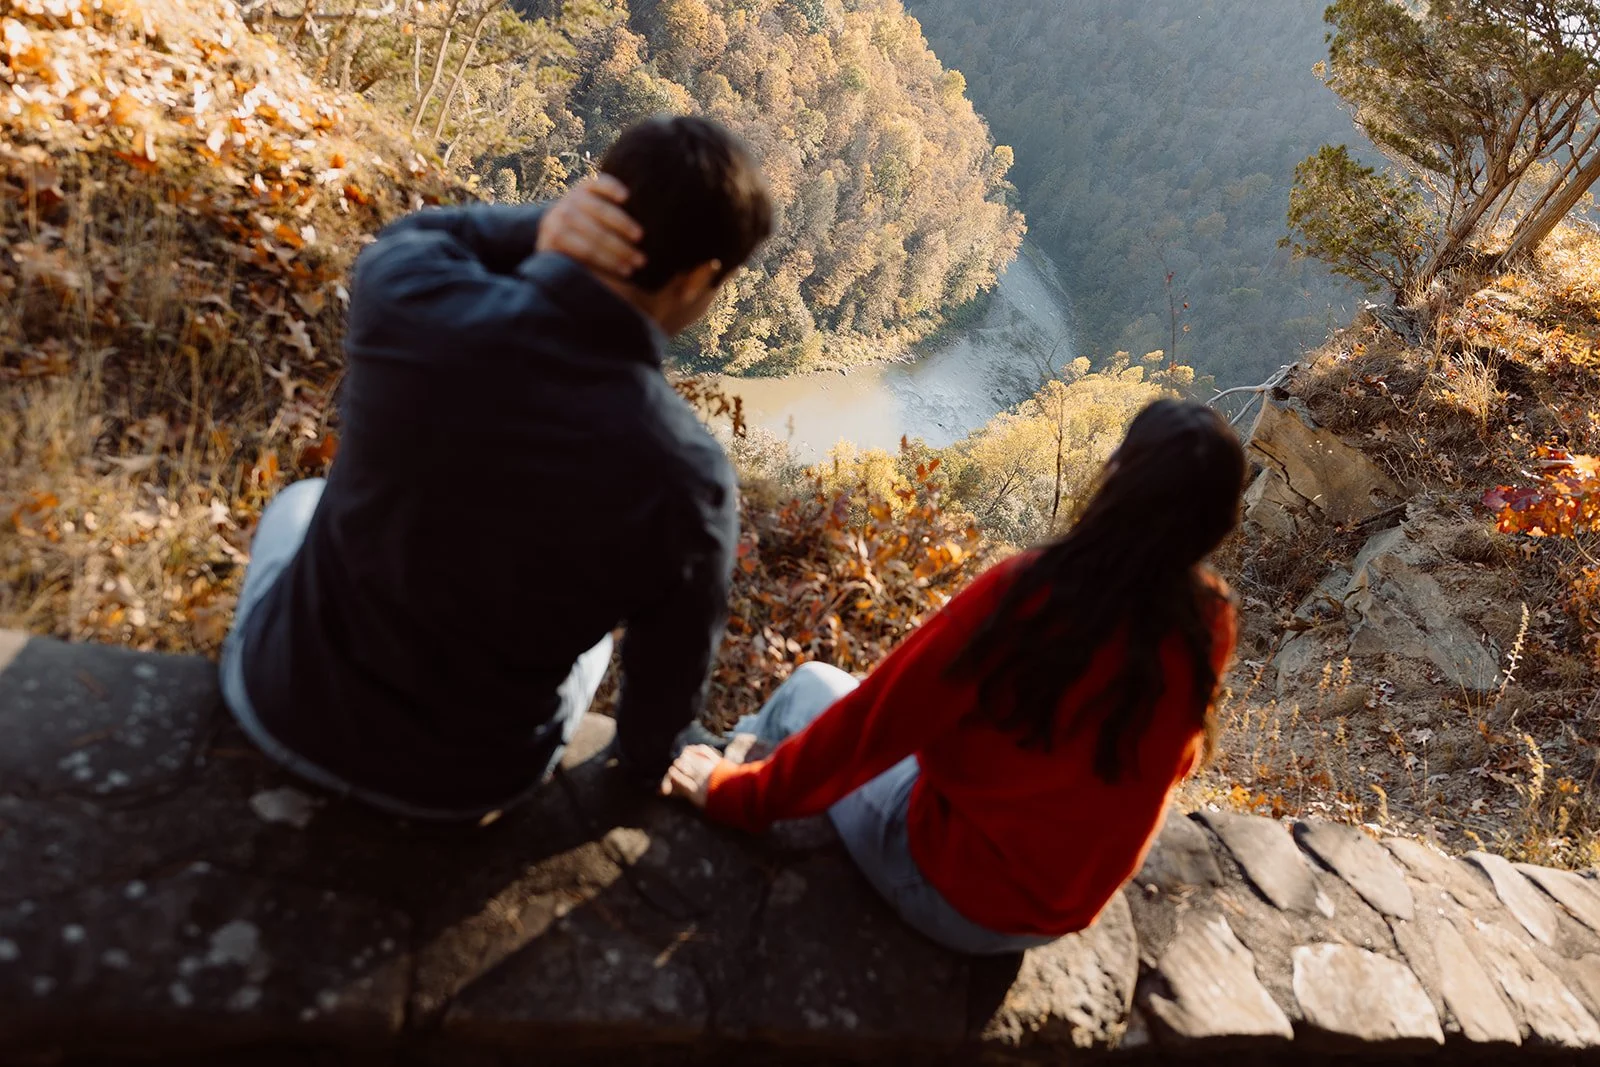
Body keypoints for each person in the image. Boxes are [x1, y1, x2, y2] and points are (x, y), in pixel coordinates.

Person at [219, 116, 774, 820]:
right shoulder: (687, 474)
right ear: (700, 276)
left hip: (280, 707)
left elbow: (408, 238)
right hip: (464, 782)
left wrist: (545, 226)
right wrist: (647, 765)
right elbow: (660, 700)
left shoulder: (411, 300)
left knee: (302, 500)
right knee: (594, 648)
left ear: (594, 203)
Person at [662, 399, 1245, 955]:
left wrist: (734, 798)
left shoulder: (1034, 593)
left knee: (811, 686)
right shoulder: (1208, 619)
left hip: (953, 892)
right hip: (1062, 911)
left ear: (1118, 479)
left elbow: (872, 725)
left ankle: (723, 769)